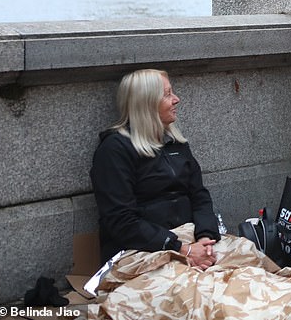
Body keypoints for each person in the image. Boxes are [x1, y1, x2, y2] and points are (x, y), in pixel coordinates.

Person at [91, 69, 220, 269]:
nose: (176, 99)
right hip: (140, 251)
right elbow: (121, 220)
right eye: (167, 94)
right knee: (196, 291)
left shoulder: (176, 143)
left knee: (250, 264)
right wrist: (180, 248)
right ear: (147, 103)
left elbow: (199, 196)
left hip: (191, 239)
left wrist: (205, 238)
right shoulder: (115, 150)